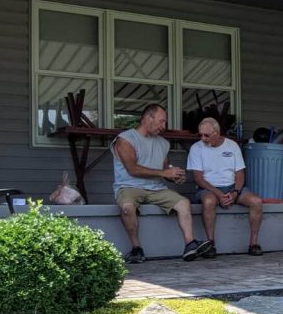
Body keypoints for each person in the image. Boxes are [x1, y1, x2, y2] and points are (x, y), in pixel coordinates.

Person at [112, 103, 211, 263]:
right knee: (127, 208)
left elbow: (164, 169)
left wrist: (173, 176)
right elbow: (132, 169)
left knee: (184, 203)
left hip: (156, 188)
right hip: (129, 186)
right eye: (161, 121)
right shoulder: (125, 139)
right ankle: (137, 249)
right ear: (148, 118)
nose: (164, 126)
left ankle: (190, 245)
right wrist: (164, 173)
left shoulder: (163, 143)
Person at [187, 117, 264, 257]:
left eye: (206, 135)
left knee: (256, 201)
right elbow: (198, 178)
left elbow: (240, 174)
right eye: (200, 135)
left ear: (217, 132)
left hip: (232, 187)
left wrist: (235, 192)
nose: (203, 138)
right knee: (209, 201)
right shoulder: (196, 148)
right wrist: (218, 194)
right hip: (208, 189)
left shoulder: (232, 145)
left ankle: (253, 244)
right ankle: (210, 244)